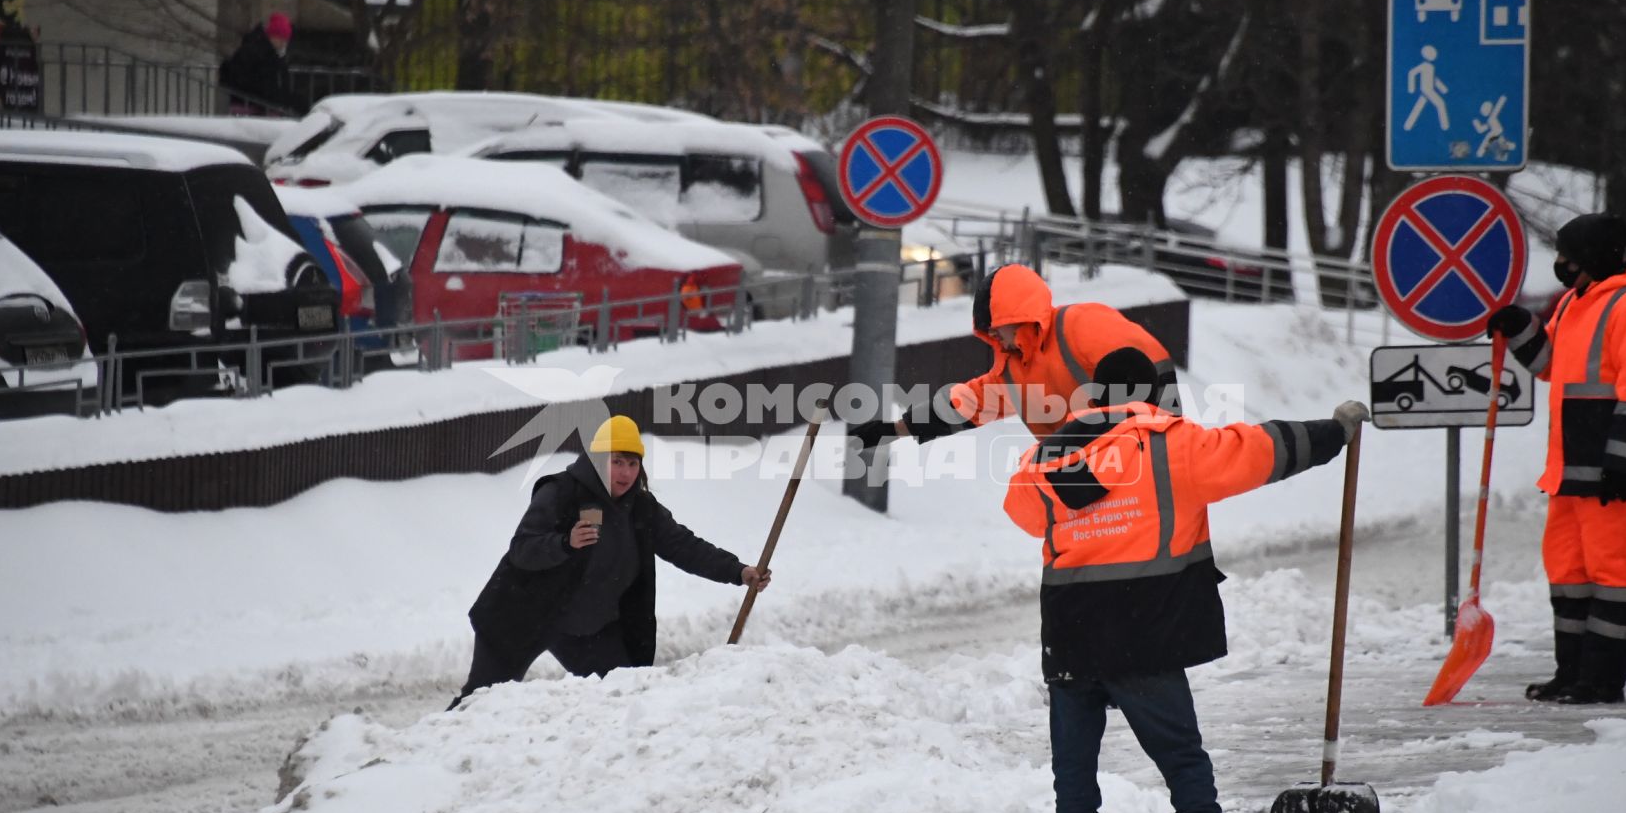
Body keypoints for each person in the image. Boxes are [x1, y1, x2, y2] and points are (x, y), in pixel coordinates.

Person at [1002, 345, 1369, 813]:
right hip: (1143, 635)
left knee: (1073, 769)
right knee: (1183, 761)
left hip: (1070, 636)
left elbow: (1021, 512)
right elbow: (1262, 450)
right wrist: (1334, 431)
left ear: (1097, 396)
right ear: (1151, 394)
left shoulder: (1045, 457)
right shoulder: (1175, 445)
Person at [450, 415, 770, 707]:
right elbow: (523, 548)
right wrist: (564, 543)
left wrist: (738, 571)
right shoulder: (562, 493)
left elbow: (683, 545)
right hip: (524, 615)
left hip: (588, 629)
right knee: (480, 700)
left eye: (632, 464)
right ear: (598, 459)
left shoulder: (641, 509)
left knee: (624, 698)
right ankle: (438, 749)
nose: (626, 473)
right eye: (617, 462)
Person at [1486, 213, 1626, 705]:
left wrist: (1622, 463)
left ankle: (1602, 680)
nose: (1561, 265)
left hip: (1610, 472)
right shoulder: (1576, 302)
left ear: (1593, 257)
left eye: (1569, 256)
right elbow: (1552, 365)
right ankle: (1571, 673)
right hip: (1570, 470)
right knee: (1568, 570)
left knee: (1611, 574)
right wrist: (1521, 328)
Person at [847, 263, 1180, 454]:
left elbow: (1152, 366)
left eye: (994, 328)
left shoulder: (1080, 324)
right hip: (1082, 481)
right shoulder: (1013, 372)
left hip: (1137, 465)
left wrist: (1146, 442)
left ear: (1015, 315)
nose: (992, 337)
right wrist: (894, 429)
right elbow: (965, 405)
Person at [219, 11, 297, 114]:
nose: (284, 43)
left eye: (285, 40)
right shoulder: (256, 52)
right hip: (252, 106)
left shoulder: (273, 53)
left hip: (262, 106)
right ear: (272, 36)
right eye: (281, 39)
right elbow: (247, 79)